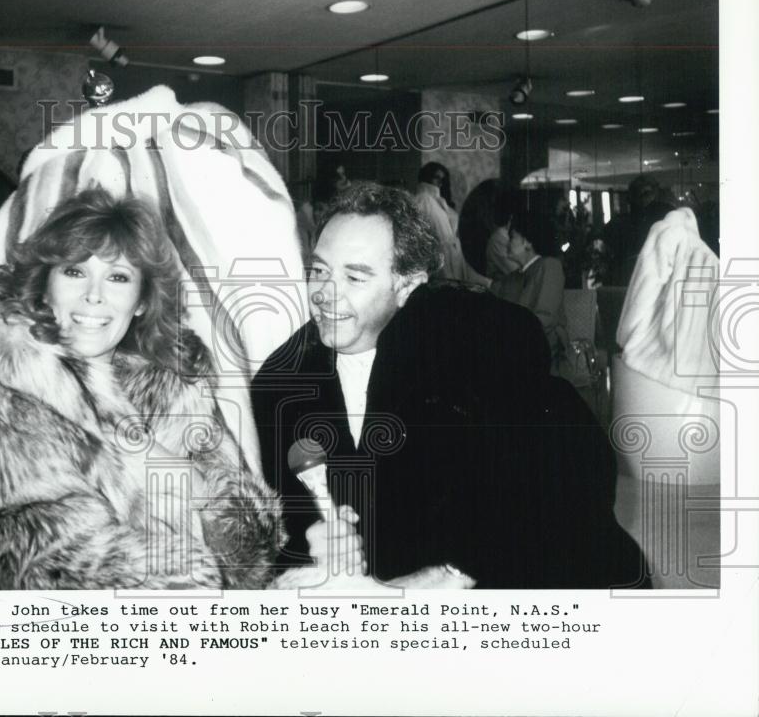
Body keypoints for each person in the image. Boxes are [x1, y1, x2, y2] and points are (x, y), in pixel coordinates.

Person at [251, 181, 649, 589]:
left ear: (407, 285)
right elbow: (261, 520)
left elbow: (571, 467)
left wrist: (455, 570)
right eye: (318, 270)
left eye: (355, 277)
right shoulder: (282, 380)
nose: (323, 293)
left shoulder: (470, 338)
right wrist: (304, 545)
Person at [0, 190, 282, 590]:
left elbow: (253, 558)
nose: (94, 295)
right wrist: (187, 575)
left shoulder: (176, 390)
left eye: (117, 277)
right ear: (44, 285)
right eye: (75, 272)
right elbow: (10, 580)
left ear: (143, 301)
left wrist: (187, 482)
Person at [490, 209, 570, 373]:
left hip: (543, 354)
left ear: (527, 242)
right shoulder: (510, 279)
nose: (507, 243)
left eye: (512, 237)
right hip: (515, 351)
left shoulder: (549, 266)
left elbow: (544, 319)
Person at [412, 162, 489, 286]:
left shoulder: (440, 202)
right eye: (436, 177)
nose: (440, 182)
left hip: (455, 256)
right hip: (440, 258)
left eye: (443, 179)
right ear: (427, 176)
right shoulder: (423, 200)